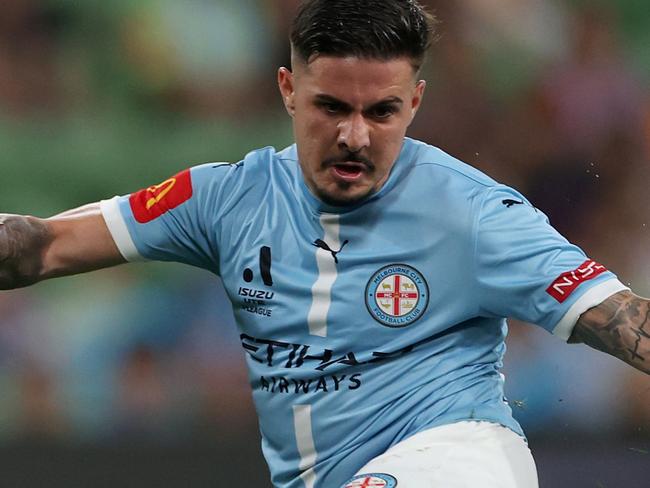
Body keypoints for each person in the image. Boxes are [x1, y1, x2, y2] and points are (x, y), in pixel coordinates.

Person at [0, 1, 648, 486]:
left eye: (382, 112)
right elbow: (42, 246)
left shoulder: (475, 212)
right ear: (288, 90)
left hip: (457, 459)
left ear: (415, 102)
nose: (355, 137)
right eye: (332, 107)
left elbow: (616, 317)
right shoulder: (227, 199)